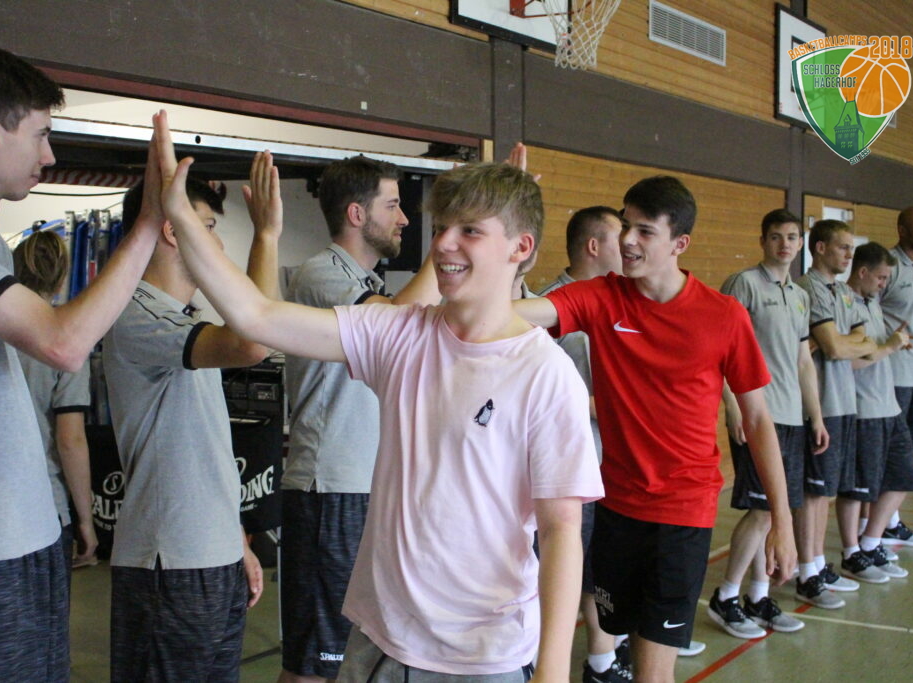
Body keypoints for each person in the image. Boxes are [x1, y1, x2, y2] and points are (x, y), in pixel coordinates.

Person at [154, 112, 603, 681]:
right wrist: (179, 217)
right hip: (378, 643)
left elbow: (561, 530)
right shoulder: (400, 334)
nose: (443, 243)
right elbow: (256, 315)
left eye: (470, 230)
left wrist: (553, 670)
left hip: (480, 656)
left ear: (521, 247)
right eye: (443, 227)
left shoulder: (545, 373)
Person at [0, 45, 165, 681]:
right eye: (40, 134)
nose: (50, 154)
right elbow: (63, 343)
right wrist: (146, 223)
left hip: (27, 533)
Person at [514, 176, 796, 682]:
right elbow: (514, 316)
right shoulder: (602, 298)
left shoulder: (723, 315)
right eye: (626, 226)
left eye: (645, 231)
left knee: (652, 669)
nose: (627, 240)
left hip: (682, 515)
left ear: (679, 244)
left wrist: (782, 519)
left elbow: (756, 419)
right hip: (616, 508)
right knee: (613, 638)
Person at [103, 157, 279, 681]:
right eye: (207, 227)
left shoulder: (191, 317)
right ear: (171, 230)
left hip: (211, 555)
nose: (216, 244)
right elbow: (255, 342)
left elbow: (204, 449)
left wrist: (235, 540)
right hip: (170, 564)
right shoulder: (136, 313)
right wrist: (266, 237)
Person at [280, 155, 438, 682]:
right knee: (314, 664)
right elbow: (393, 326)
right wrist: (449, 244)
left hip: (363, 487)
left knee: (352, 653)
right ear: (356, 214)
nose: (404, 219)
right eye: (392, 206)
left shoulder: (365, 279)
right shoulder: (321, 274)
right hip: (329, 490)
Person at [708, 209, 830, 638]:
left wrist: (815, 415)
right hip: (758, 414)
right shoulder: (744, 284)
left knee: (774, 511)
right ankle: (726, 596)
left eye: (792, 237)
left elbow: (803, 361)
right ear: (763, 241)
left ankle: (758, 596)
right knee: (763, 512)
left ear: (801, 243)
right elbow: (719, 349)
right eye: (776, 236)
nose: (784, 244)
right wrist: (733, 406)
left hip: (791, 416)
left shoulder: (798, 295)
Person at [539, 206, 630, 681]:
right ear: (594, 246)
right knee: (564, 571)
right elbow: (545, 398)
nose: (629, 245)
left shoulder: (619, 302)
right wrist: (620, 406)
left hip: (611, 466)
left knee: (602, 572)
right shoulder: (550, 308)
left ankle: (604, 659)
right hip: (569, 470)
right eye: (619, 237)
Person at [794, 220, 885, 588]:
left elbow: (868, 344)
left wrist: (846, 342)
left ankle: (818, 562)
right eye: (843, 247)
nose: (850, 254)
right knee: (813, 491)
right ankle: (807, 570)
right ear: (820, 248)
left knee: (825, 493)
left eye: (851, 247)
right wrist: (845, 343)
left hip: (844, 402)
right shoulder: (809, 288)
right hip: (821, 402)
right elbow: (833, 347)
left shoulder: (844, 292)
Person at [12, 230, 98, 575]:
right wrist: (86, 520)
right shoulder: (65, 338)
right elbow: (70, 439)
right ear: (62, 277)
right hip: (43, 500)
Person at [843, 242, 913, 579]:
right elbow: (848, 361)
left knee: (902, 477)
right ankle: (851, 552)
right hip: (863, 409)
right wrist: (888, 347)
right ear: (863, 272)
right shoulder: (844, 304)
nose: (884, 284)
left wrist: (895, 341)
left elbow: (880, 347)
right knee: (858, 488)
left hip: (889, 406)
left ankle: (871, 543)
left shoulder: (873, 303)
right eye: (881, 278)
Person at [876, 207, 913, 548]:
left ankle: (889, 521)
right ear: (902, 229)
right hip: (892, 375)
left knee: (909, 449)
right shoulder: (891, 266)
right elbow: (869, 307)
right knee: (891, 452)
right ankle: (880, 525)